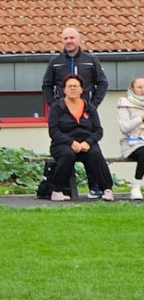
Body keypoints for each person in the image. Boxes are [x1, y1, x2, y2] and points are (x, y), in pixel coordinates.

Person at [42, 28, 109, 197]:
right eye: (66, 38)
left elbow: (102, 83)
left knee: (92, 150)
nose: (69, 41)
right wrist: (55, 105)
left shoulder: (91, 60)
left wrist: (92, 105)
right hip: (64, 116)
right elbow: (47, 85)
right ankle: (59, 189)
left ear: (79, 39)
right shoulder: (55, 62)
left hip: (84, 113)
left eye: (72, 38)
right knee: (67, 152)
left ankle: (97, 187)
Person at [47, 74, 115, 202]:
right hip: (63, 144)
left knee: (95, 153)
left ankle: (107, 189)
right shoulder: (56, 107)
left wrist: (88, 142)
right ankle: (57, 190)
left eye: (75, 86)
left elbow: (98, 131)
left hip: (86, 143)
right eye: (69, 86)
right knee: (67, 155)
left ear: (81, 89)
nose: (73, 88)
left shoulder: (90, 108)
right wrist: (71, 142)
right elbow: (54, 132)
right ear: (64, 90)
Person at [116, 77, 144, 201]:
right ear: (132, 89)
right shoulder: (124, 103)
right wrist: (141, 119)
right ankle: (136, 186)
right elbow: (124, 128)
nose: (143, 90)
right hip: (132, 143)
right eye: (139, 87)